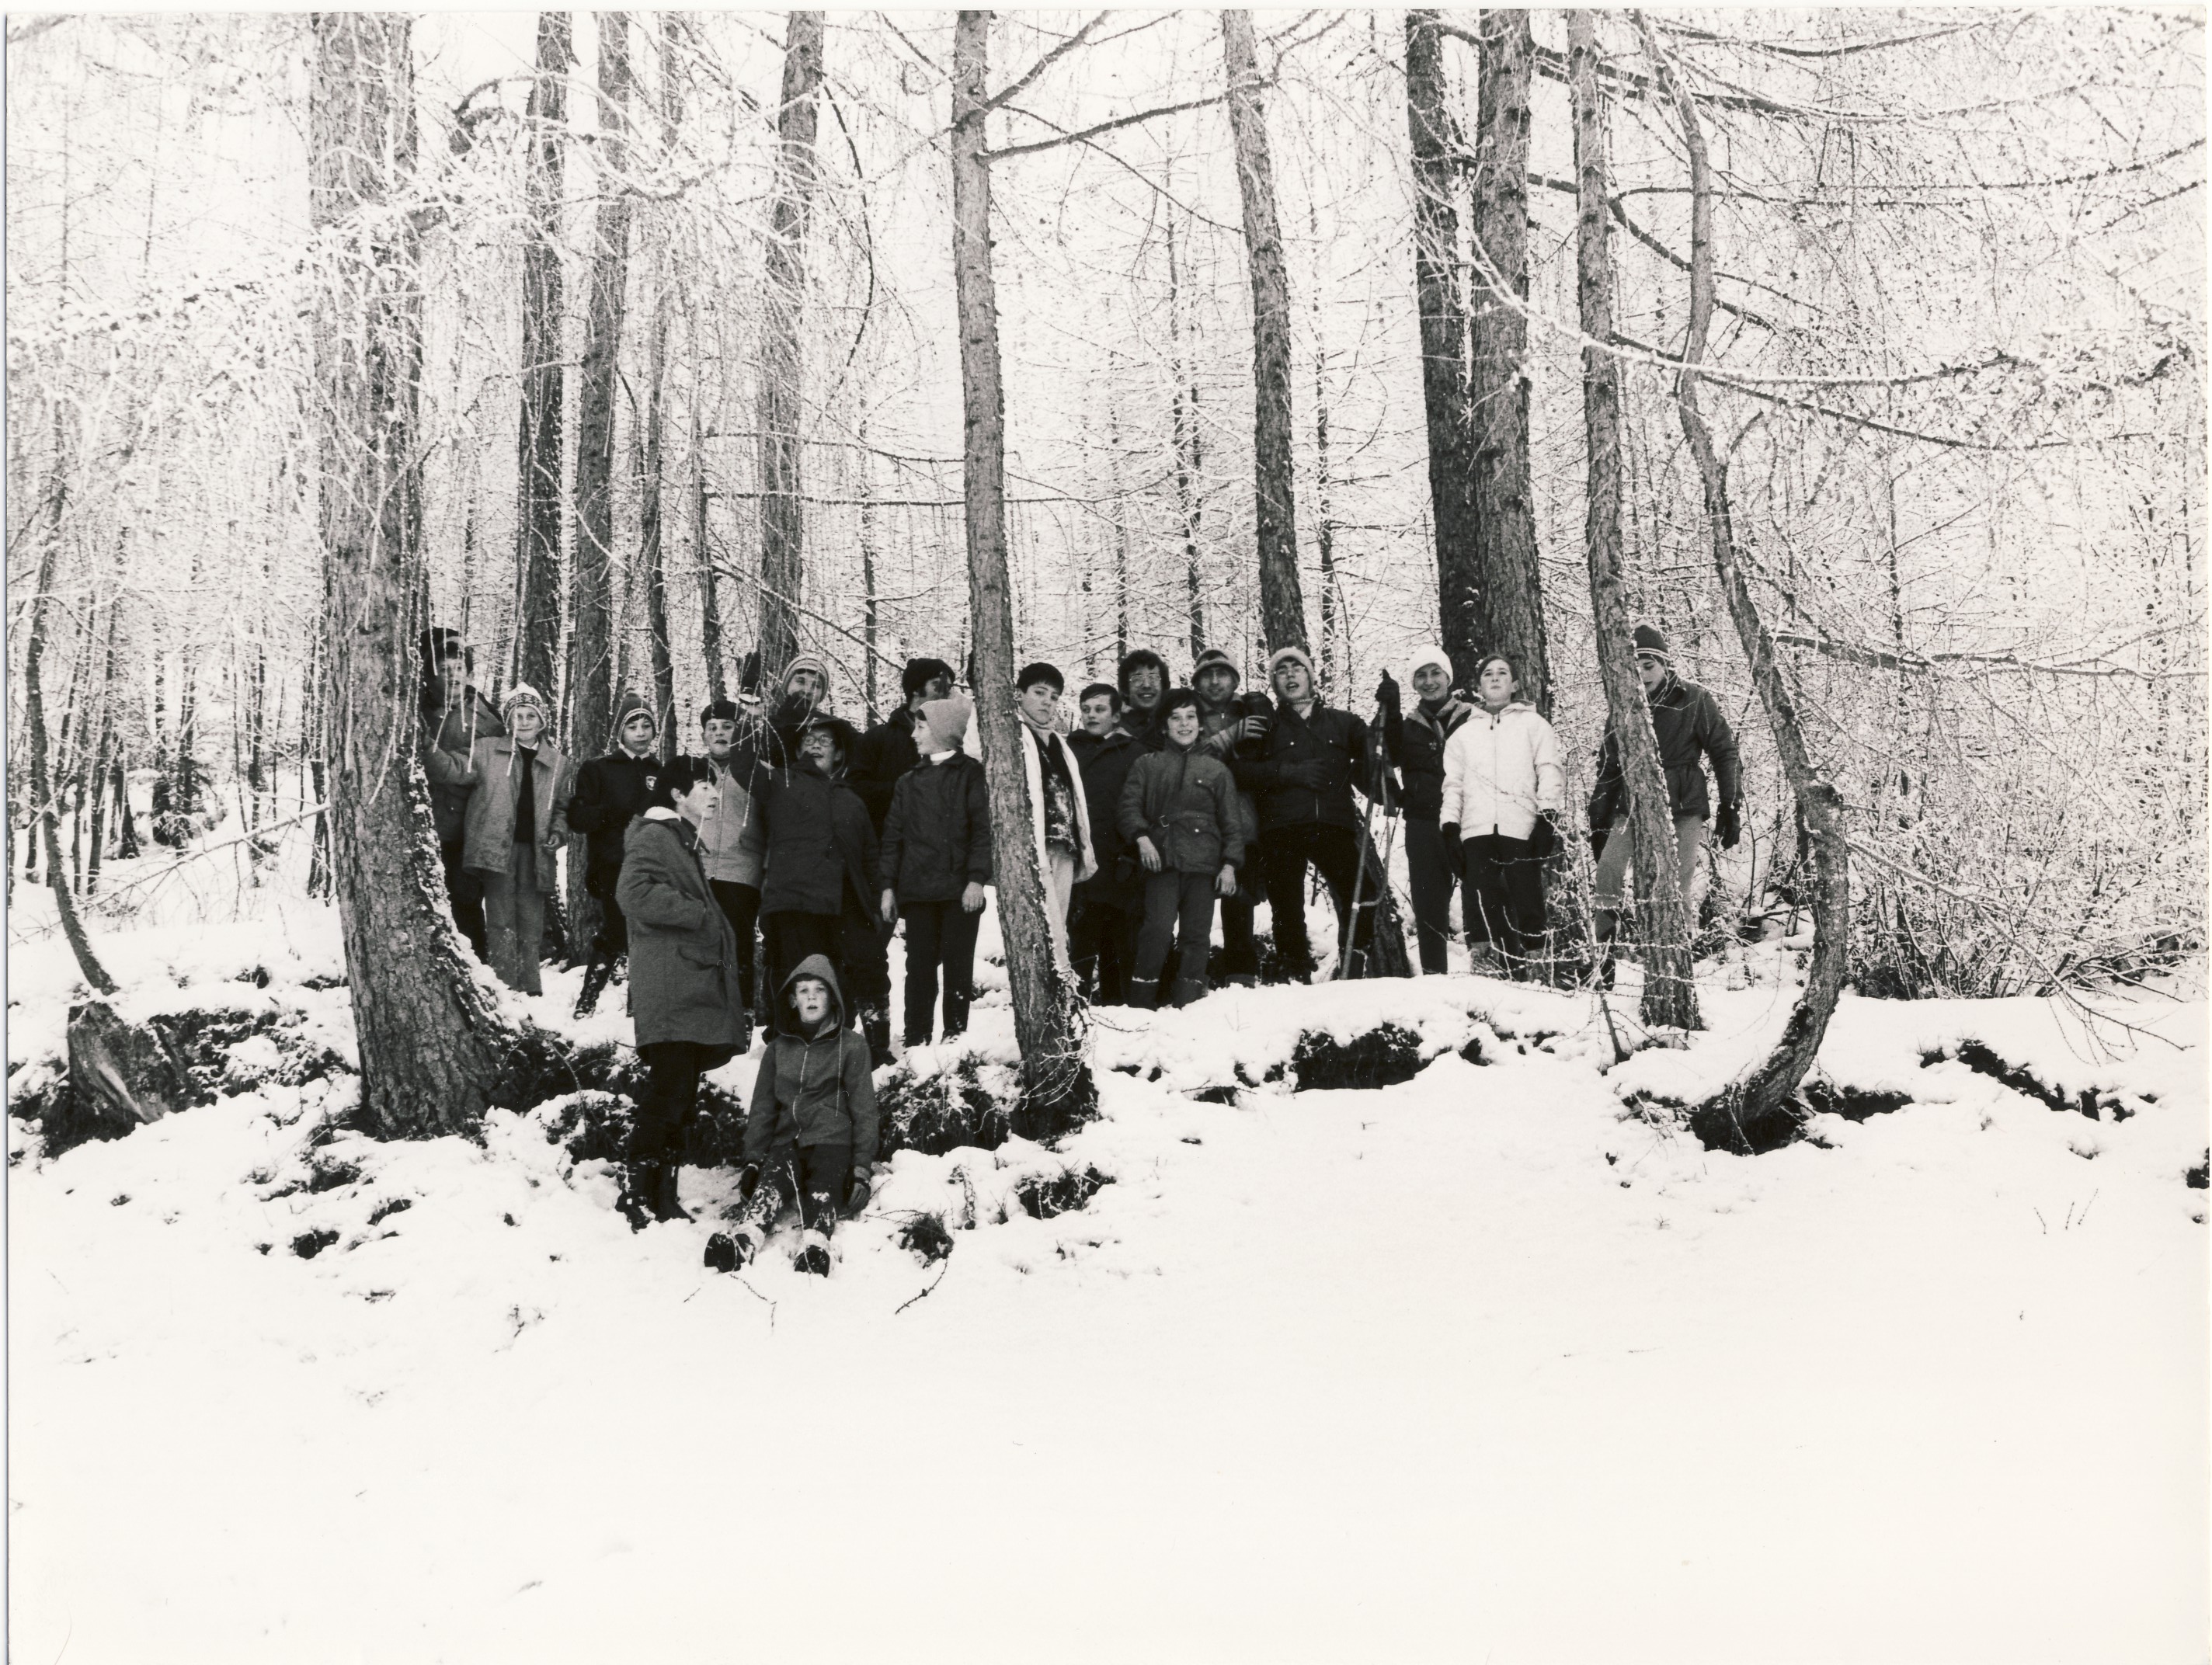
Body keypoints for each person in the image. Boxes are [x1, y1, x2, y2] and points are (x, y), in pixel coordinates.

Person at [613, 757, 751, 1229]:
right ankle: (635, 1194)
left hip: (685, 983)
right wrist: (696, 913)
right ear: (675, 794)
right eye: (702, 785)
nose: (714, 793)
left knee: (681, 1094)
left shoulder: (682, 839)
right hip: (672, 985)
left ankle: (660, 1194)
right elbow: (632, 894)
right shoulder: (656, 836)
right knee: (669, 1092)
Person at [1586, 624, 1743, 973]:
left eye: (1649, 665)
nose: (1642, 675)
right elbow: (1609, 764)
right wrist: (1598, 818)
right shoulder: (1623, 704)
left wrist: (1730, 806)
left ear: (1665, 665)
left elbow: (1724, 752)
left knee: (1678, 880)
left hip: (1685, 804)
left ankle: (1676, 959)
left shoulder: (1694, 699)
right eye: (1635, 666)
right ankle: (1604, 953)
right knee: (1609, 869)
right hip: (1633, 804)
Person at [718, 956, 878, 1276]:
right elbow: (763, 1107)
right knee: (770, 1185)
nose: (812, 997)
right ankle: (743, 1241)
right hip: (786, 1141)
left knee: (822, 1188)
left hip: (832, 1141)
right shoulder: (778, 1048)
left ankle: (816, 1247)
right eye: (803, 991)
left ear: (832, 997)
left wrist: (861, 1167)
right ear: (792, 1000)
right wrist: (753, 1159)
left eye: (820, 990)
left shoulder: (852, 1045)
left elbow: (864, 1108)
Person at [1233, 645, 1378, 983]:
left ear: (1311, 676)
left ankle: (1352, 967)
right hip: (1282, 827)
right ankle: (1294, 973)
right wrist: (1286, 773)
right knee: (1286, 907)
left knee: (1364, 894)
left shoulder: (1344, 723)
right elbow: (1242, 772)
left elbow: (1375, 758)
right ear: (1274, 683)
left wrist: (1388, 714)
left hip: (1333, 825)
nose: (1290, 674)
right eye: (1281, 671)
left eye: (1296, 668)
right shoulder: (1266, 725)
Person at [753, 713, 890, 1061]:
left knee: (869, 966)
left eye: (824, 740)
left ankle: (876, 1051)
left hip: (847, 901)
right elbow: (744, 762)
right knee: (802, 974)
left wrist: (880, 895)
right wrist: (752, 710)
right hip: (797, 901)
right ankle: (795, 1049)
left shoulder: (852, 799)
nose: (815, 744)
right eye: (808, 740)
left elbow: (870, 857)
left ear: (840, 754)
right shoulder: (779, 782)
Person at [440, 684, 571, 996]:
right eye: (517, 716)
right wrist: (425, 745)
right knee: (499, 919)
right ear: (508, 721)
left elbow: (563, 807)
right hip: (497, 848)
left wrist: (558, 833)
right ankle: (504, 986)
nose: (524, 722)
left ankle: (531, 987)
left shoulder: (558, 763)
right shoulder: (487, 749)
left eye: (531, 716)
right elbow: (454, 768)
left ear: (542, 722)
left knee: (531, 921)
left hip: (537, 851)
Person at [1438, 654, 1564, 979]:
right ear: (1478, 686)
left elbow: (1549, 770)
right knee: (1479, 902)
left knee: (1528, 900)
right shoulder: (1463, 734)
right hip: (1475, 830)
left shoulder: (1534, 725)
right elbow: (1453, 785)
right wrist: (1450, 827)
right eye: (1488, 674)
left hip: (1520, 827)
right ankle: (1485, 973)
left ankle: (1537, 974)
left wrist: (1547, 817)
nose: (1495, 679)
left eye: (1502, 673)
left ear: (1515, 683)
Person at [1118, 689, 1244, 1010]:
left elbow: (1232, 822)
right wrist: (1142, 839)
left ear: (1201, 725)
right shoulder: (1147, 764)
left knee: (1196, 937)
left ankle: (1189, 1006)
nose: (1184, 724)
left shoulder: (1217, 771)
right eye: (1175, 717)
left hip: (1204, 867)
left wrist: (1230, 865)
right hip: (1162, 862)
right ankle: (1141, 1006)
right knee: (1157, 930)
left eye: (1191, 717)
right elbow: (1128, 807)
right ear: (1164, 726)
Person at [880, 691, 992, 1048]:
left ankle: (954, 1041)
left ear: (944, 730)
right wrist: (887, 886)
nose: (914, 735)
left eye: (921, 727)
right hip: (918, 891)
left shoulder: (972, 775)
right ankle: (916, 1040)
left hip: (960, 891)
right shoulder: (907, 781)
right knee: (919, 970)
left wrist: (976, 880)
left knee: (958, 967)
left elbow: (983, 831)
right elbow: (892, 839)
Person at [565, 692, 664, 1017]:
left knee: (648, 931)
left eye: (646, 724)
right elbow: (577, 819)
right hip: (612, 864)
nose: (640, 732)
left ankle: (640, 1005)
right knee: (617, 929)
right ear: (619, 732)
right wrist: (612, 815)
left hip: (652, 866)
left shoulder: (661, 770)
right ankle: (587, 1001)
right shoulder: (598, 769)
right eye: (632, 725)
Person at [1379, 645, 1474, 975]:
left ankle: (1492, 974)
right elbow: (1385, 758)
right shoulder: (1406, 727)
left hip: (1468, 820)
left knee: (1479, 894)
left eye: (1436, 673)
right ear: (1413, 682)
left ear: (1449, 677)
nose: (1429, 681)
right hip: (1423, 821)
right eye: (1421, 675)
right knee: (1428, 902)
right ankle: (1435, 975)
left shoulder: (1472, 717)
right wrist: (1389, 710)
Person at [419, 627, 506, 961]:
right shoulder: (418, 709)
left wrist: (426, 745)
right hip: (429, 825)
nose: (454, 677)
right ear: (431, 676)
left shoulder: (485, 715)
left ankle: (477, 964)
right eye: (445, 670)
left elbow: (473, 769)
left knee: (466, 898)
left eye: (460, 669)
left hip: (471, 827)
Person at [1188, 646, 1270, 987]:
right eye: (1207, 675)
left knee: (1240, 905)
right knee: (1196, 905)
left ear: (1235, 680)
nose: (1215, 681)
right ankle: (1192, 978)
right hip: (1201, 825)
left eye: (1222, 674)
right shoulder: (1188, 712)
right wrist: (1230, 736)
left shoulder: (1251, 710)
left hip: (1245, 822)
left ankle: (1242, 978)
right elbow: (1187, 754)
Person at [1066, 683, 1144, 1004]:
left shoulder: (1134, 752)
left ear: (1116, 716)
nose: (1091, 716)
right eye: (1086, 710)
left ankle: (1117, 1010)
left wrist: (1131, 853)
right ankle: (1076, 1013)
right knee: (1081, 943)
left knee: (1118, 943)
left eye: (1100, 710)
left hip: (1119, 863)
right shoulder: (1069, 748)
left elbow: (1140, 806)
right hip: (1080, 863)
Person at [694, 697, 765, 1021]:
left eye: (727, 726)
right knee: (700, 944)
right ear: (704, 735)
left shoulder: (754, 770)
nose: (720, 733)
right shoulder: (691, 770)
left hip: (741, 871)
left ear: (739, 732)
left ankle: (742, 1016)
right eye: (712, 728)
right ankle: (703, 1014)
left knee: (737, 945)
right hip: (697, 872)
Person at [1014, 661, 1097, 941]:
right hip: (1031, 846)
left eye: (1053, 697)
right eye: (1039, 692)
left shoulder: (1060, 744)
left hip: (1064, 846)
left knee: (1057, 929)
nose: (1047, 702)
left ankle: (1057, 983)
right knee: (1033, 930)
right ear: (1019, 694)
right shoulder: (1011, 735)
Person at [851, 655, 955, 835]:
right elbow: (855, 789)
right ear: (916, 689)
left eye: (949, 687)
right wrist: (904, 789)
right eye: (938, 684)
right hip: (891, 846)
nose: (945, 692)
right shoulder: (878, 738)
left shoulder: (956, 741)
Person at [1118, 647, 1171, 750]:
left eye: (1153, 678)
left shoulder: (1175, 722)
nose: (1146, 685)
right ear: (1125, 689)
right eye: (1137, 679)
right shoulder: (1116, 727)